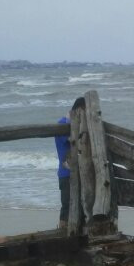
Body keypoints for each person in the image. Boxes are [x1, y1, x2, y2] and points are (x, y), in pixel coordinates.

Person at [55, 97, 85, 229]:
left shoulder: (80, 124)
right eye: (84, 110)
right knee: (67, 206)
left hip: (80, 172)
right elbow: (71, 140)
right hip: (66, 172)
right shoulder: (62, 123)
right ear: (78, 109)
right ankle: (62, 231)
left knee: (82, 205)